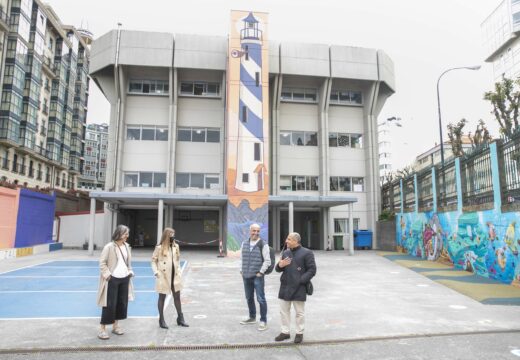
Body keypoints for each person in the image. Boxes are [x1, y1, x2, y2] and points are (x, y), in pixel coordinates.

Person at [274, 232, 316, 344]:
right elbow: (278, 269)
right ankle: (285, 332)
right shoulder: (286, 252)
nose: (286, 241)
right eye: (287, 239)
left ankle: (299, 333)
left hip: (299, 287)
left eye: (289, 239)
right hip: (285, 285)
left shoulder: (307, 253)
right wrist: (279, 265)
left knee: (299, 313)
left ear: (296, 241)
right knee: (283, 311)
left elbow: (312, 270)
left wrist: (301, 281)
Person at [96, 225, 135, 340]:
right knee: (109, 304)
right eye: (125, 234)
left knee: (121, 303)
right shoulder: (109, 247)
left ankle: (115, 326)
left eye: (127, 233)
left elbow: (128, 263)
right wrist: (108, 276)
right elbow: (102, 263)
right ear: (119, 234)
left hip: (124, 279)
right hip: (112, 279)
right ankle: (102, 330)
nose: (127, 236)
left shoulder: (127, 246)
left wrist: (130, 271)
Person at [151, 227, 189, 329]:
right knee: (162, 297)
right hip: (163, 276)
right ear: (166, 235)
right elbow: (153, 261)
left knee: (177, 297)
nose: (173, 236)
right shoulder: (159, 247)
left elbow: (178, 260)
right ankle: (161, 320)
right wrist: (156, 272)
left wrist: (180, 272)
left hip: (175, 276)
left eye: (174, 234)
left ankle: (180, 318)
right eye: (171, 234)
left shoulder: (176, 246)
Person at [239, 223, 271, 331]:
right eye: (254, 231)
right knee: (249, 298)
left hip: (257, 276)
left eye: (258, 231)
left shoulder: (263, 244)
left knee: (261, 299)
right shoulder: (244, 243)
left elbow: (267, 261)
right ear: (250, 231)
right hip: (246, 275)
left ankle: (263, 321)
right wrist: (241, 270)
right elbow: (241, 258)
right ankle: (252, 317)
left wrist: (261, 272)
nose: (256, 233)